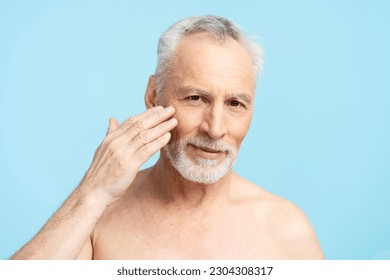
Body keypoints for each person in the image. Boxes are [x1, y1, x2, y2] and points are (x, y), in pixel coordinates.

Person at [11, 15, 323, 260]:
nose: (215, 129)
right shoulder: (98, 218)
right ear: (152, 95)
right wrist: (91, 194)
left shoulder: (286, 229)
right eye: (196, 98)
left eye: (234, 104)